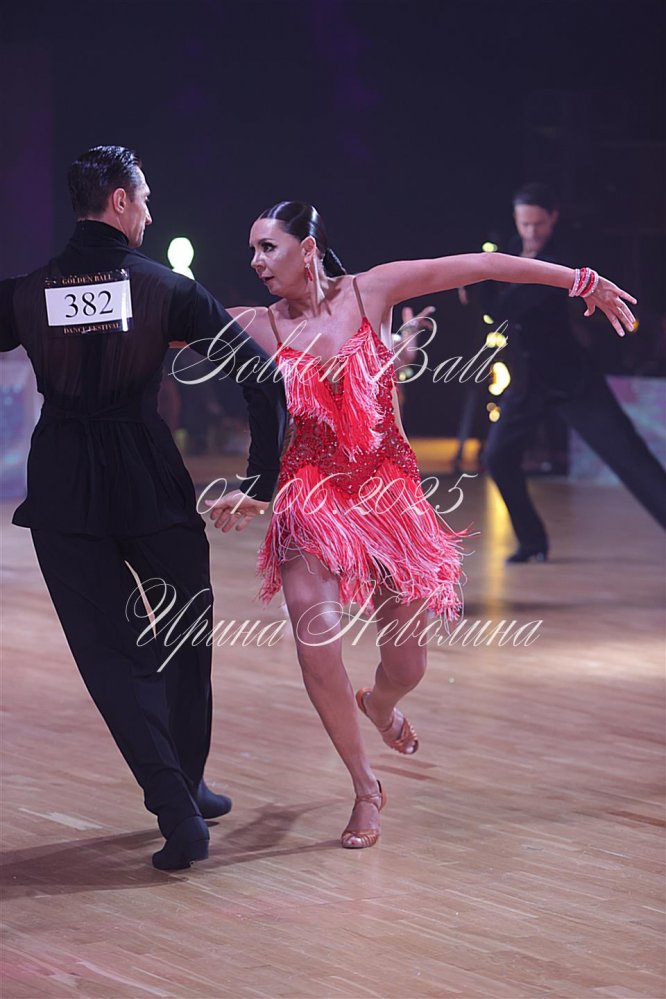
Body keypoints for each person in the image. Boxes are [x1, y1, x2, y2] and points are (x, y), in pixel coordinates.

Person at [206, 200, 636, 849]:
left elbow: (480, 265)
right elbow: (161, 322)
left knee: (406, 665)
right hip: (310, 495)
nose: (256, 262)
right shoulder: (256, 324)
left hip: (388, 496)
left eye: (268, 247)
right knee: (316, 644)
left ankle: (379, 703)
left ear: (308, 248)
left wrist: (579, 280)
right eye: (252, 250)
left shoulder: (372, 290)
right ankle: (365, 787)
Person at [0, 146, 287, 870]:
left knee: (109, 654)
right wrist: (261, 480)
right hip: (148, 478)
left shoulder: (26, 293)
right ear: (121, 201)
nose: (151, 214)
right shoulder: (165, 288)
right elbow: (261, 376)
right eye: (146, 199)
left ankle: (178, 803)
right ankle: (183, 788)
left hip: (64, 484)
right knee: (187, 633)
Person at [479, 182, 666, 561]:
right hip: (528, 384)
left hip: (573, 381)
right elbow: (498, 308)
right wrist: (487, 280)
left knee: (631, 460)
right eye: (524, 224)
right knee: (497, 458)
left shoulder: (561, 259)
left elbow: (505, 307)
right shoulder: (512, 252)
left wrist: (484, 281)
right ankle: (533, 543)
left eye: (538, 224)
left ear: (553, 218)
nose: (531, 232)